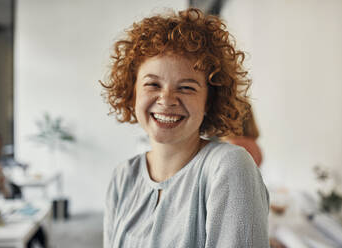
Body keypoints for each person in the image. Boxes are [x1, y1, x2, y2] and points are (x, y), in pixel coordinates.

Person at [100, 8, 269, 247]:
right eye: (153, 84)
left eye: (187, 87)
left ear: (209, 101)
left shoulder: (229, 166)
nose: (167, 99)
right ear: (132, 91)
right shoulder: (122, 177)